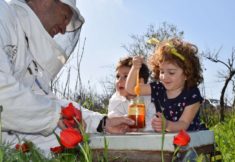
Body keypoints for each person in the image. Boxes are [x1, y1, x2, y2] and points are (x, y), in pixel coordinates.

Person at [0, 0, 134, 153]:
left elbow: (47, 102)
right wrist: (55, 116)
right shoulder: (3, 14)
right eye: (65, 17)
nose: (63, 30)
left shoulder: (29, 58)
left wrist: (102, 122)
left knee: (73, 138)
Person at [126, 38, 206, 132]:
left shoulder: (192, 94)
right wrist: (134, 69)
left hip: (192, 140)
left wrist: (167, 124)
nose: (164, 77)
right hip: (166, 140)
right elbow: (131, 89)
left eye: (171, 72)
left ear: (187, 74)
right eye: (162, 71)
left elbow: (183, 124)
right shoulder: (158, 88)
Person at [108, 56, 156, 131]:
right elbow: (111, 117)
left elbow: (154, 121)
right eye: (117, 76)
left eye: (126, 76)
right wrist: (124, 123)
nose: (119, 81)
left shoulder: (150, 98)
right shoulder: (116, 99)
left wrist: (136, 125)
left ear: (140, 82)